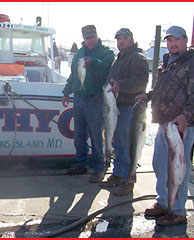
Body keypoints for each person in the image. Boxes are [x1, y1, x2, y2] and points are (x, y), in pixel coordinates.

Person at [136, 26, 194, 225]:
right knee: (159, 164)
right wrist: (148, 96)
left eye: (176, 39)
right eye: (169, 40)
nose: (172, 44)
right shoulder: (169, 63)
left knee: (177, 169)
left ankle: (177, 210)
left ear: (185, 40)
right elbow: (160, 89)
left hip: (182, 126)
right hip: (164, 123)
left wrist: (185, 117)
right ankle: (163, 202)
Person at [62, 25, 115, 182]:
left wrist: (93, 62)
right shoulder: (79, 53)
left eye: (92, 37)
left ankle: (99, 168)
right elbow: (73, 76)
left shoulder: (107, 52)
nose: (90, 40)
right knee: (79, 135)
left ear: (97, 36)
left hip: (96, 98)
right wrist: (66, 92)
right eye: (87, 38)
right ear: (83, 39)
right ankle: (81, 163)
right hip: (79, 98)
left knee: (96, 135)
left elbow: (108, 70)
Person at [99, 28, 149, 196]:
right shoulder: (119, 59)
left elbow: (141, 82)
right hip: (117, 107)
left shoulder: (137, 58)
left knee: (128, 145)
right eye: (119, 39)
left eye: (124, 38)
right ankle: (118, 174)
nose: (121, 41)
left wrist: (120, 85)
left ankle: (129, 180)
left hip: (130, 108)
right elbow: (111, 80)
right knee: (117, 142)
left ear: (131, 39)